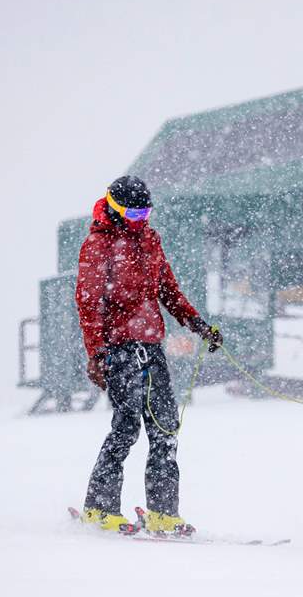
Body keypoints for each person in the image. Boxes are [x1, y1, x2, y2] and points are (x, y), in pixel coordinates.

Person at [75, 176, 223, 534]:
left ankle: (163, 512)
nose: (142, 218)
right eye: (135, 212)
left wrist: (197, 324)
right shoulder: (99, 245)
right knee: (126, 428)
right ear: (115, 207)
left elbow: (168, 289)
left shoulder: (150, 240)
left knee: (165, 428)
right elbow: (89, 303)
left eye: (147, 211)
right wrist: (96, 354)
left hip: (151, 346)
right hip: (119, 349)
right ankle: (99, 507)